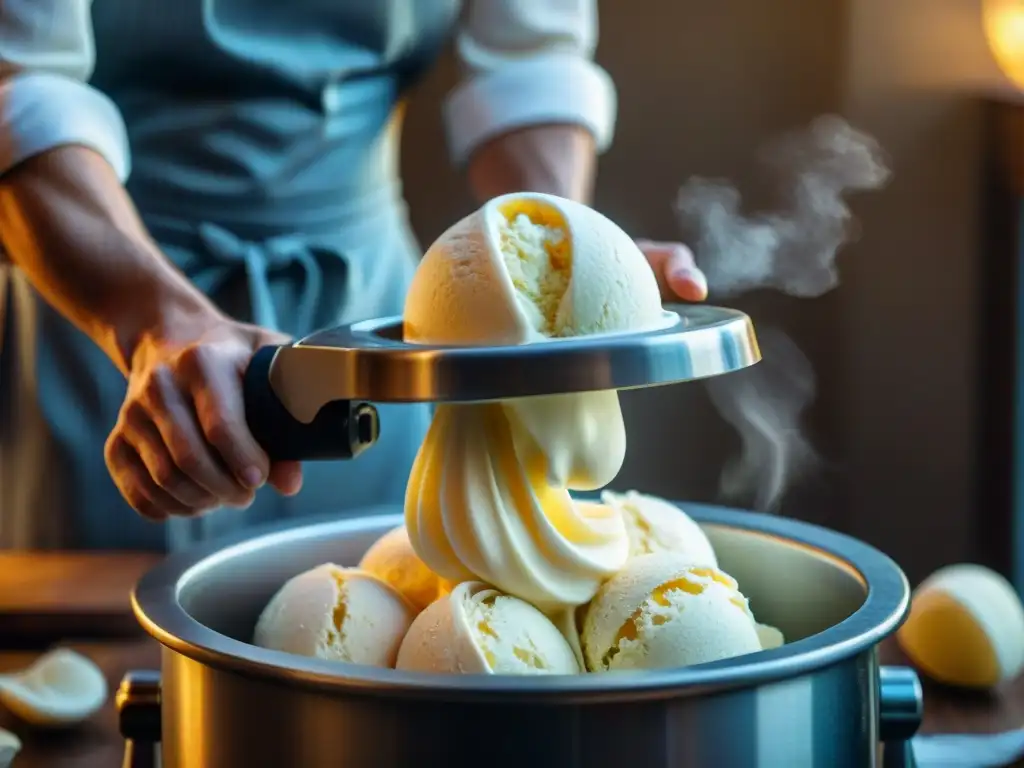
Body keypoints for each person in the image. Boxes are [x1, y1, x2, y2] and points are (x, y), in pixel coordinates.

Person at [0, 1, 709, 552]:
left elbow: (525, 64)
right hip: (100, 301)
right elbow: (20, 86)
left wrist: (562, 264)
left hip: (371, 326)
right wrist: (155, 320)